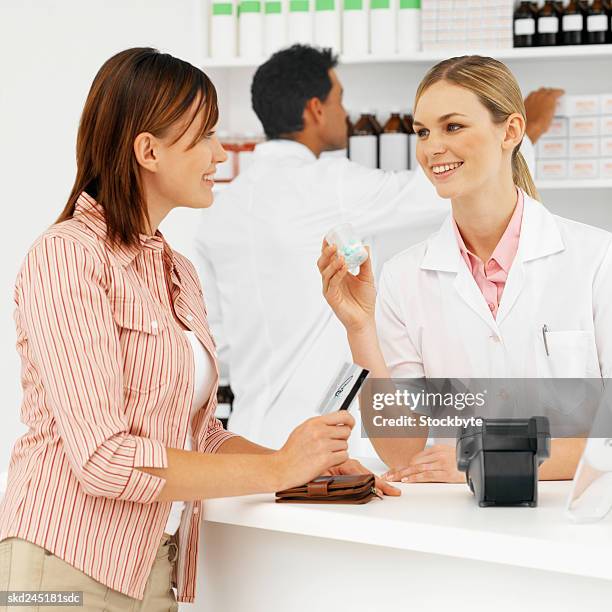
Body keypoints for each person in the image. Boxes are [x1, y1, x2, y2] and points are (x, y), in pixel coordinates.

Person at [0, 48, 398, 612]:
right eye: (204, 137)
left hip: (150, 564)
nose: (219, 153)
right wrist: (277, 467)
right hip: (62, 565)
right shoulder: (67, 257)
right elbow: (104, 459)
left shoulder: (174, 269)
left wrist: (304, 466)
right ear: (149, 150)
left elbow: (199, 434)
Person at [193, 44, 556, 450]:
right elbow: (440, 186)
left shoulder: (219, 210)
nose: (345, 113)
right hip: (329, 439)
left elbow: (218, 340)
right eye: (339, 100)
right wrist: (527, 134)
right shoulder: (330, 184)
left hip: (247, 434)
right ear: (315, 109)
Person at [318, 55, 612, 484]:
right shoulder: (404, 277)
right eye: (423, 131)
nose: (432, 146)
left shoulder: (596, 259)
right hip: (454, 527)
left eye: (452, 126)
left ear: (510, 131)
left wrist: (489, 458)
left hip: (566, 532)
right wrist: (360, 327)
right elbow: (403, 452)